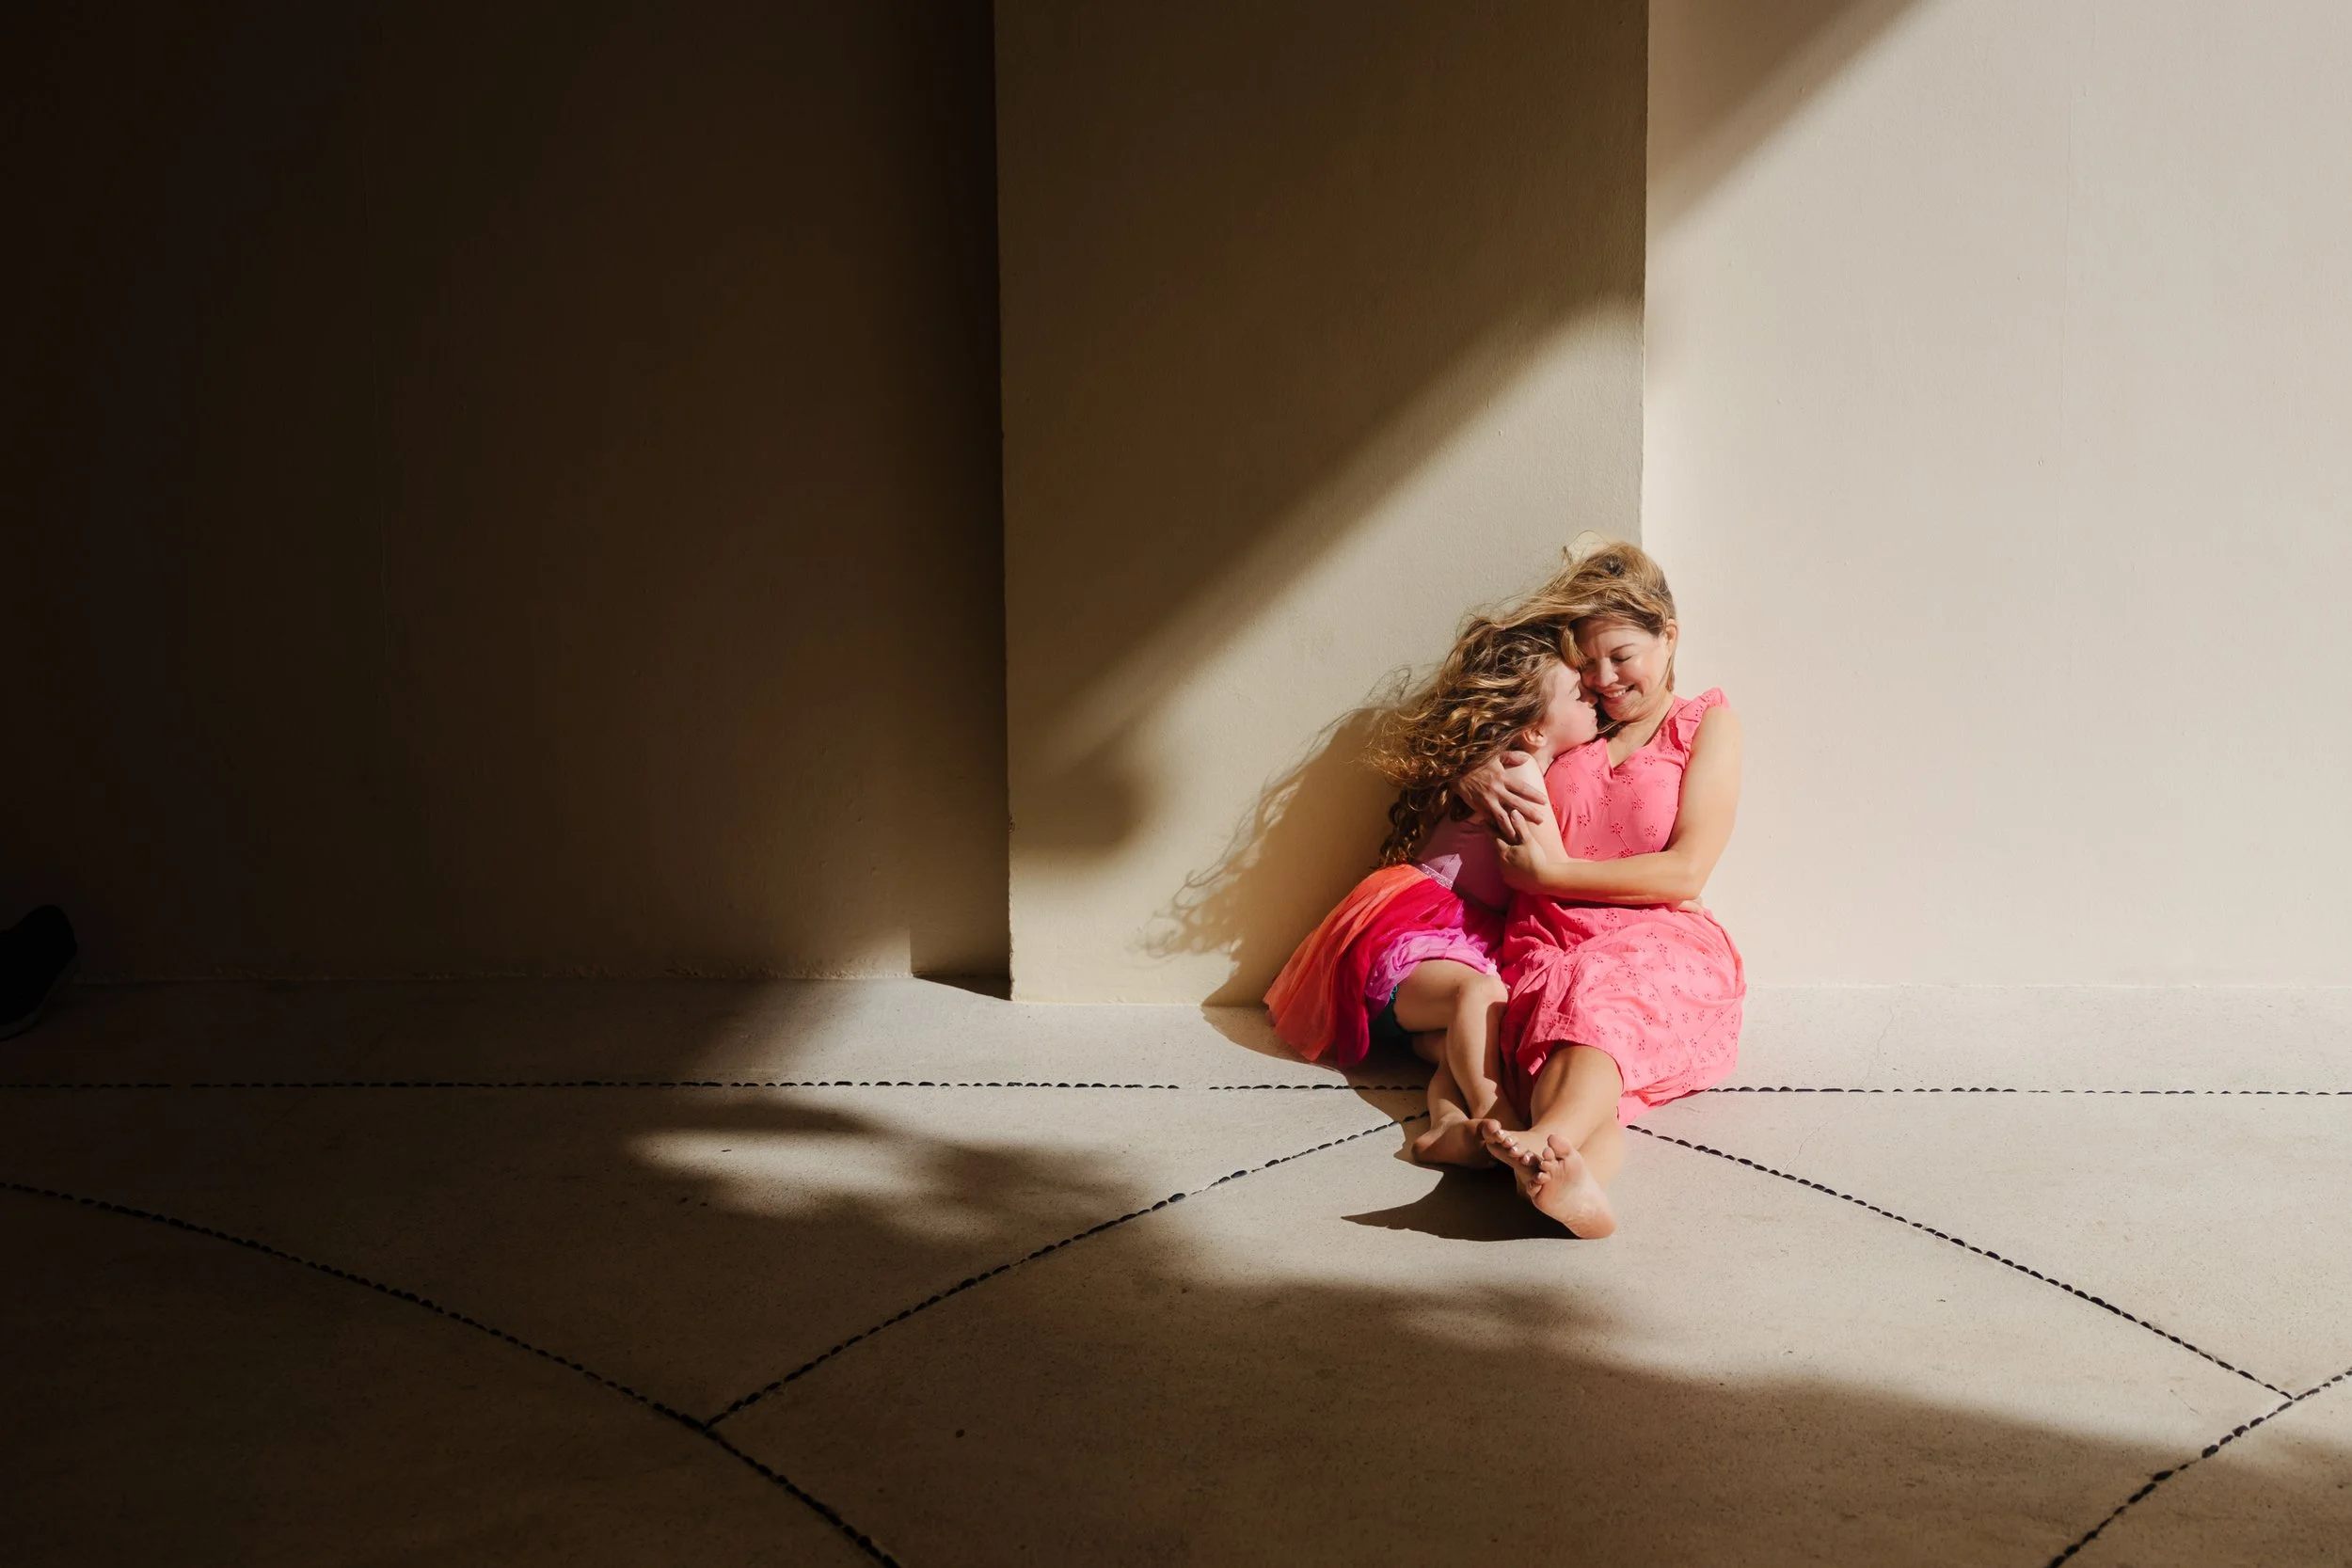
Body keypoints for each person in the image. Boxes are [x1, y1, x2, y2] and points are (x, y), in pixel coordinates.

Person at [1467, 542, 1746, 1238]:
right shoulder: (1570, 715)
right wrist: (1468, 773)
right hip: (1549, 937)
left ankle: (1544, 1137)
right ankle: (1570, 1177)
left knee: (1597, 995)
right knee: (1576, 1043)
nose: (1604, 678)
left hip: (1663, 938)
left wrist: (1553, 876)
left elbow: (1685, 872)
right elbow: (1478, 726)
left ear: (1668, 635)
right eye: (1588, 662)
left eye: (1621, 655)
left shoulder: (1706, 725)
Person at [1264, 617, 1599, 1166]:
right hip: (1417, 936)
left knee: (1458, 1041)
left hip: (1431, 963)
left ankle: (1448, 1126)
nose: (1592, 696)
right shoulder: (1520, 770)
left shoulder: (1517, 762)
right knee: (1480, 995)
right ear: (1536, 729)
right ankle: (1507, 1122)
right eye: (1577, 692)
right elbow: (1555, 874)